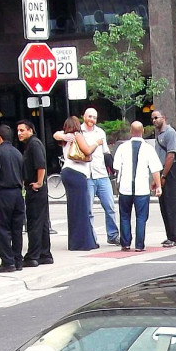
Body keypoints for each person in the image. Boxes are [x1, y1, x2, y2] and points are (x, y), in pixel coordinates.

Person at [111, 122, 161, 251]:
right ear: (143, 131)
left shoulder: (122, 147)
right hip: (142, 189)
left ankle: (125, 244)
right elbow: (155, 170)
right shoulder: (148, 148)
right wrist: (158, 186)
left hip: (125, 188)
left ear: (130, 132)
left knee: (125, 216)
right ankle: (139, 245)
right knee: (141, 217)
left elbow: (116, 167)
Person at [0, 125, 28, 272]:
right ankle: (17, 260)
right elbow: (24, 176)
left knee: (2, 228)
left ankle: (7, 261)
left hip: (4, 193)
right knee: (16, 229)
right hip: (18, 194)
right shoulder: (18, 153)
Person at [54, 115, 96, 251]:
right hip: (77, 173)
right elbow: (87, 150)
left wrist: (62, 135)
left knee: (73, 209)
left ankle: (75, 242)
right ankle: (83, 242)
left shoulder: (65, 137)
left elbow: (56, 134)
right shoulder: (77, 135)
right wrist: (97, 143)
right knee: (82, 208)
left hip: (67, 172)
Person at [15, 119, 52, 267]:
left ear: (30, 130)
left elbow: (41, 165)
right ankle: (44, 253)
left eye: (22, 130)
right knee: (41, 222)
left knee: (34, 222)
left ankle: (33, 255)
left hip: (36, 188)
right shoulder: (31, 145)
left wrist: (39, 182)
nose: (19, 133)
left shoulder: (34, 144)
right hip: (36, 187)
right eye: (18, 131)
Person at [79, 108, 117, 245]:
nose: (92, 120)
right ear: (84, 116)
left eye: (94, 117)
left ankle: (113, 235)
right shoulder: (78, 132)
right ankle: (91, 238)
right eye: (90, 116)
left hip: (101, 174)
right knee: (88, 210)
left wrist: (112, 169)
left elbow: (105, 152)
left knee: (110, 207)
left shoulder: (100, 132)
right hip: (87, 174)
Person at [151, 109, 176, 247]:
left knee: (171, 205)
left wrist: (163, 175)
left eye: (156, 117)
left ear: (163, 117)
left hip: (170, 171)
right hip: (162, 171)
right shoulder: (159, 134)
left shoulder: (170, 133)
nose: (154, 121)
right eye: (152, 119)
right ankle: (173, 234)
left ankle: (173, 237)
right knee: (164, 205)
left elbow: (170, 156)